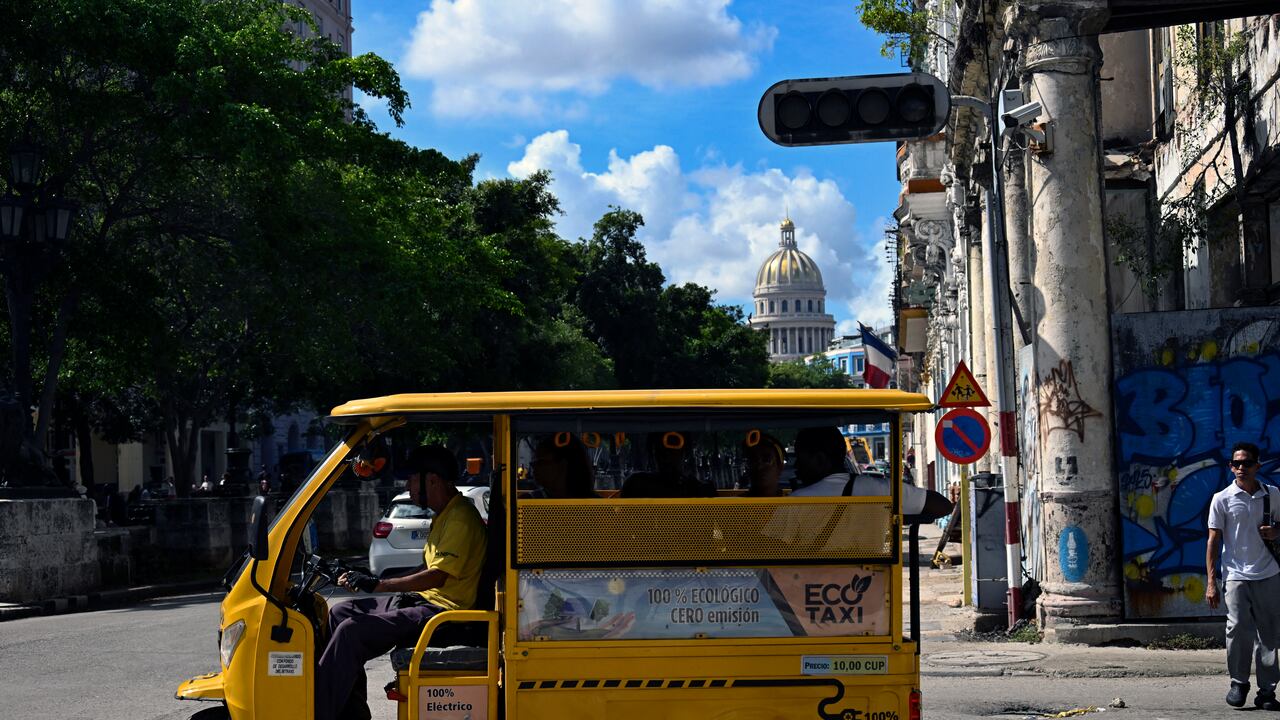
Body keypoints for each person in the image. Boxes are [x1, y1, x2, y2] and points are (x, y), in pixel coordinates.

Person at [316, 445, 487, 720]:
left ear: (433, 480)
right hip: (426, 603)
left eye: (412, 479)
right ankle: (350, 713)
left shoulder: (460, 519)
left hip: (445, 614)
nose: (408, 486)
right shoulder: (445, 514)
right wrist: (374, 578)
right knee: (340, 612)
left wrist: (380, 586)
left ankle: (319, 713)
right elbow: (427, 567)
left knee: (351, 632)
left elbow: (436, 576)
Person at [1206, 441, 1280, 710]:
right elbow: (1213, 541)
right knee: (1237, 628)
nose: (1241, 468)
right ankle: (1239, 682)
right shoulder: (1222, 498)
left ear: (1257, 466)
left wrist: (1276, 532)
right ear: (1230, 466)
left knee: (1268, 634)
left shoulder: (1272, 494)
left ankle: (1267, 692)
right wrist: (1211, 582)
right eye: (1236, 463)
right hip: (1235, 573)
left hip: (1268, 572)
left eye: (1247, 463)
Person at [789, 426, 952, 521]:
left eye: (800, 458)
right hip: (876, 571)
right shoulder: (879, 489)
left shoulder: (795, 502)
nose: (796, 465)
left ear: (819, 459)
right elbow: (942, 506)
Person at [621, 432, 716, 498]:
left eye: (673, 453)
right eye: (662, 453)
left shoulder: (635, 484)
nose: (667, 458)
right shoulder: (635, 484)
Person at [531, 434, 597, 498]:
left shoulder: (532, 501)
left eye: (540, 462)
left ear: (562, 464)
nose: (534, 466)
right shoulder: (596, 502)